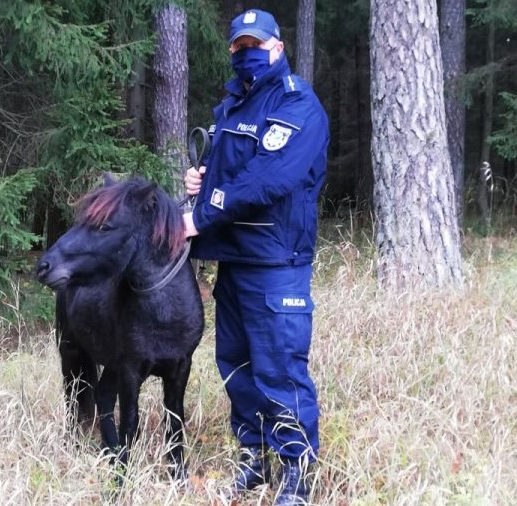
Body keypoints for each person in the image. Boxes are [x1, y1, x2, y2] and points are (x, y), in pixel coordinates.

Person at [181, 8, 329, 506]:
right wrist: (199, 185)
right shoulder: (232, 110)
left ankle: (295, 475)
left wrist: (202, 215)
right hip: (235, 262)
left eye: (256, 46)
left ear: (278, 47)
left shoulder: (297, 105)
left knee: (280, 371)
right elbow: (226, 175)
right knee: (236, 367)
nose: (248, 55)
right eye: (239, 48)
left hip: (276, 265)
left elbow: (270, 179)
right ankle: (254, 460)